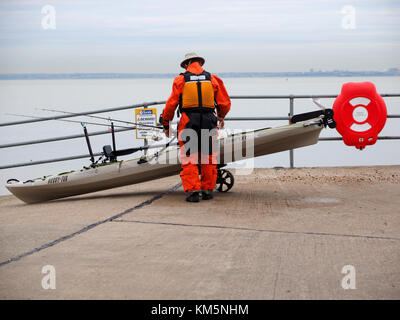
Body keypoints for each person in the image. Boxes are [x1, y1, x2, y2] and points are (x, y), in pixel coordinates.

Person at [161, 53, 231, 202]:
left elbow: (170, 106)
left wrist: (166, 124)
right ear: (200, 63)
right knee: (208, 156)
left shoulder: (180, 80)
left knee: (190, 157)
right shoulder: (213, 79)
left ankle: (193, 193)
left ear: (187, 64)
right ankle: (207, 190)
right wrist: (220, 116)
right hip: (209, 120)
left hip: (188, 121)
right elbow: (225, 103)